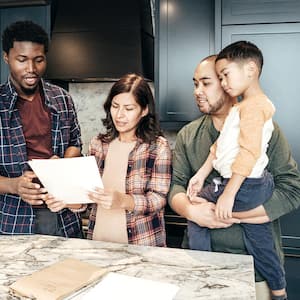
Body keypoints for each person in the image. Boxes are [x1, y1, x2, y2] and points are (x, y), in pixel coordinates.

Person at [169, 54, 300, 300]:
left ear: (226, 82)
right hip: (199, 267)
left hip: (255, 271)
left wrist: (237, 215)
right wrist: (190, 211)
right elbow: (176, 185)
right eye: (195, 83)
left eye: (206, 83)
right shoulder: (189, 134)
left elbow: (292, 191)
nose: (197, 91)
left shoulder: (264, 128)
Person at [0, 20, 83, 237]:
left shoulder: (62, 99)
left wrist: (64, 164)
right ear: (6, 57)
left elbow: (75, 144)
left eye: (38, 60)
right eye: (22, 60)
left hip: (63, 214)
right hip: (11, 218)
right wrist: (13, 185)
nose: (31, 69)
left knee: (67, 270)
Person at [86, 73, 172, 246]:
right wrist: (68, 200)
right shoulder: (98, 144)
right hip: (98, 242)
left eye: (129, 108)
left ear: (144, 110)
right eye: (115, 106)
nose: (119, 115)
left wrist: (124, 201)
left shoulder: (157, 147)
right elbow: (88, 195)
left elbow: (159, 198)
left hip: (141, 245)